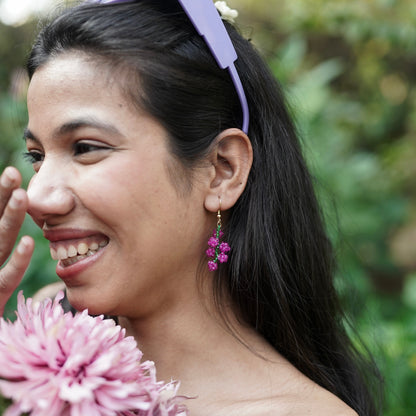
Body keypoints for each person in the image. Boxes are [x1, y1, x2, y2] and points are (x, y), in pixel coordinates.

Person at [0, 0, 382, 414]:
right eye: (36, 156)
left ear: (222, 171)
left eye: (86, 147)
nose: (37, 196)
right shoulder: (52, 333)